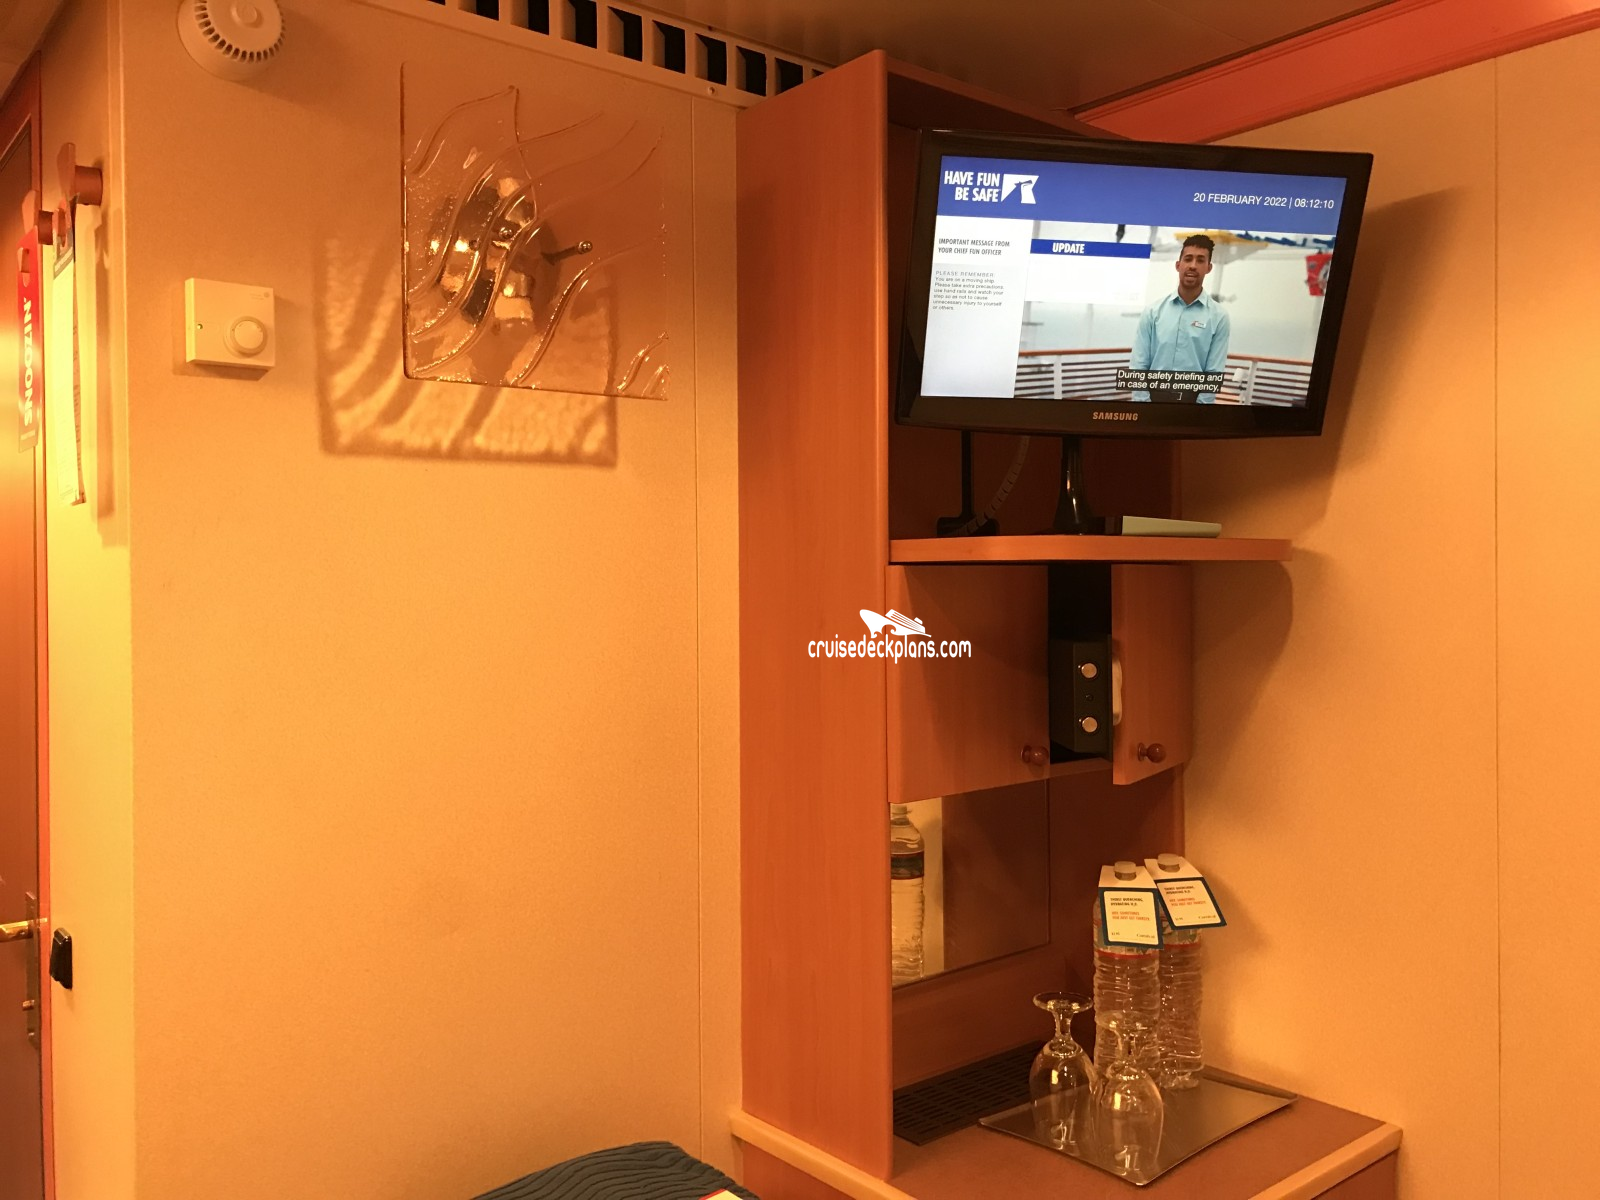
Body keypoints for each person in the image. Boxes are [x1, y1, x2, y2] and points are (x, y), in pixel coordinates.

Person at [1128, 234, 1231, 403]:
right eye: (1188, 259)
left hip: (1193, 405)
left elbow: (1214, 372)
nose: (1193, 266)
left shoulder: (1219, 317)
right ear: (1178, 265)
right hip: (1152, 401)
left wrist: (1199, 412)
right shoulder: (1152, 312)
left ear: (1208, 268)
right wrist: (1143, 406)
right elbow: (1138, 365)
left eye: (1200, 260)